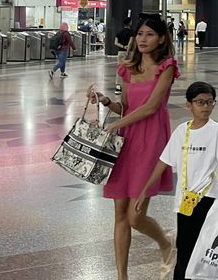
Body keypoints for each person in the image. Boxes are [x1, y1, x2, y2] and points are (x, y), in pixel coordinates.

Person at [87, 16, 180, 280]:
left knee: (136, 216)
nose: (143, 39)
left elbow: (150, 107)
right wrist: (105, 101)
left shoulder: (167, 67)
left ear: (161, 38)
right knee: (119, 213)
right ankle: (122, 276)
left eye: (150, 34)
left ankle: (164, 241)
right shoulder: (127, 68)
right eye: (140, 34)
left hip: (151, 140)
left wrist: (114, 126)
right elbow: (125, 107)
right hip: (126, 140)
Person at [135, 82, 218, 280]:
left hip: (204, 200)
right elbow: (162, 162)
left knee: (190, 250)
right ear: (189, 105)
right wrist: (145, 190)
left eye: (210, 102)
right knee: (184, 247)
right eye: (200, 102)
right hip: (183, 202)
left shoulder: (216, 131)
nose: (206, 107)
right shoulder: (181, 131)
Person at [114, 17, 134, 94]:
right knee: (130, 69)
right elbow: (130, 43)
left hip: (120, 52)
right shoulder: (131, 32)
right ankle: (128, 86)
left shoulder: (119, 32)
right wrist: (127, 51)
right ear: (130, 23)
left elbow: (115, 43)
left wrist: (122, 46)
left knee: (120, 69)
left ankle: (118, 87)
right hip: (129, 53)